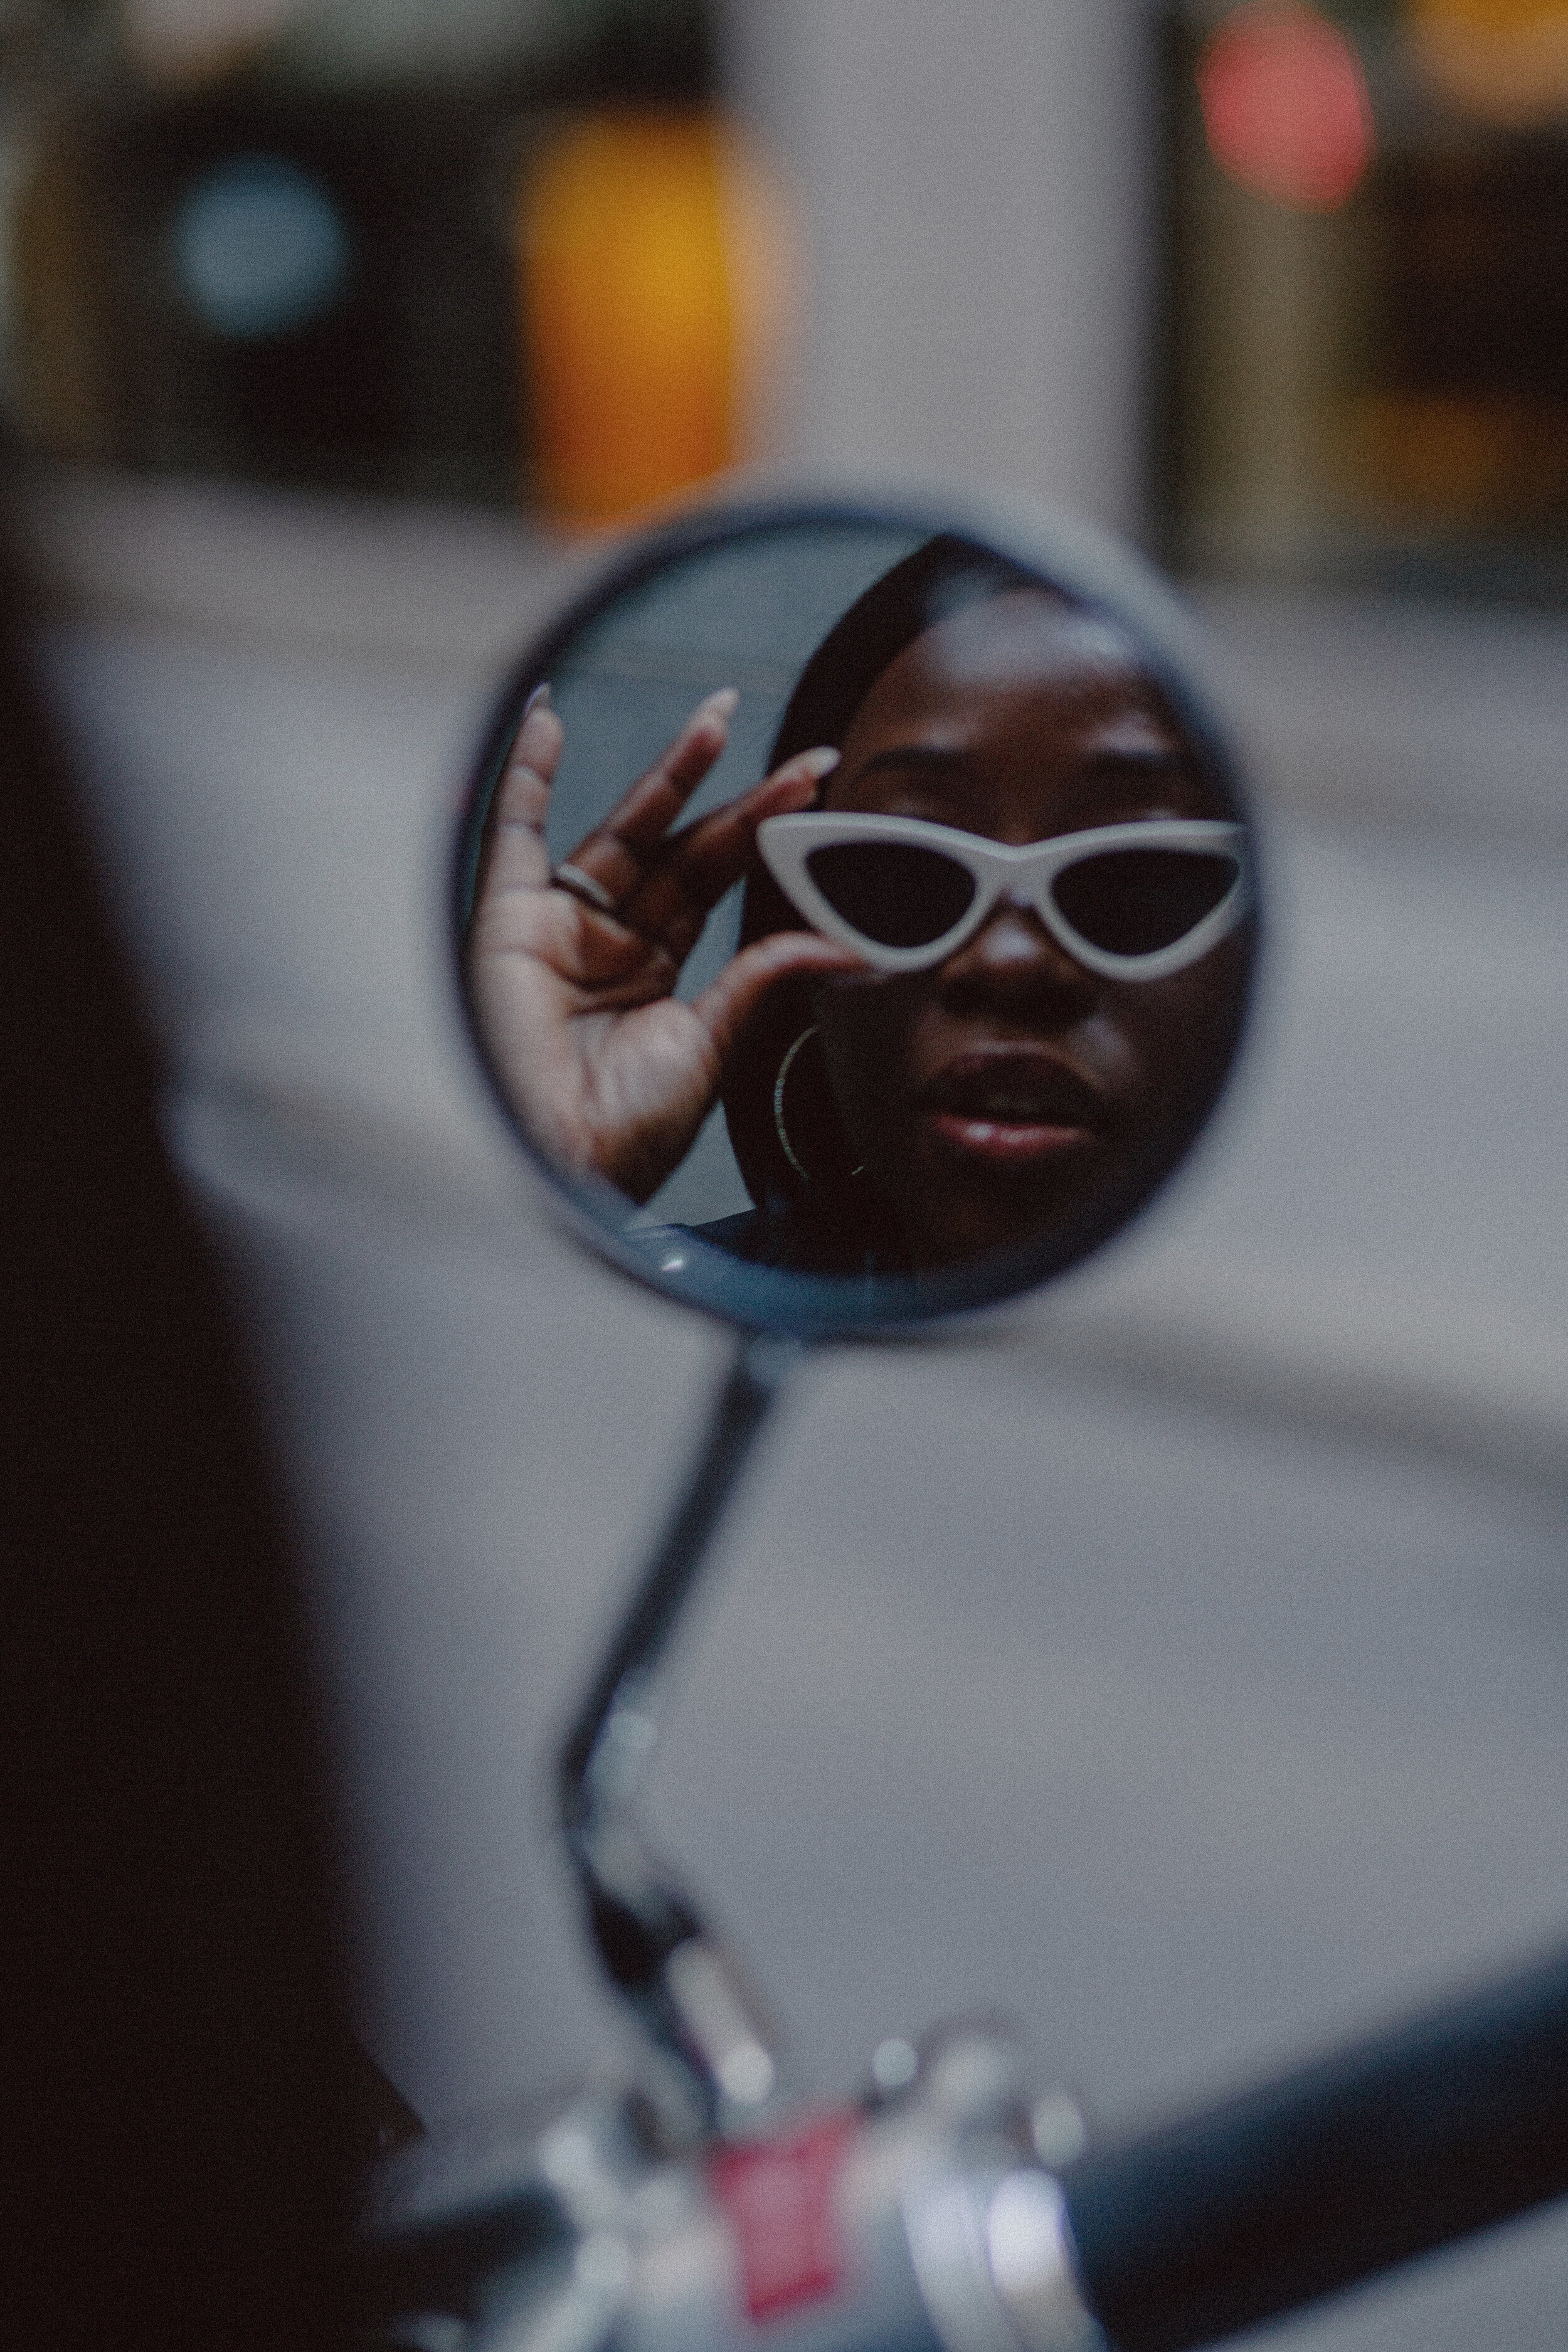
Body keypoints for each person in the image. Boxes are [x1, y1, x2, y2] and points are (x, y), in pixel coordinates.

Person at [467, 536, 1253, 1277]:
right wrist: (551, 1163)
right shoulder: (659, 1330)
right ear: (796, 949)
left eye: (1134, 879)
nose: (1010, 961)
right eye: (906, 874)